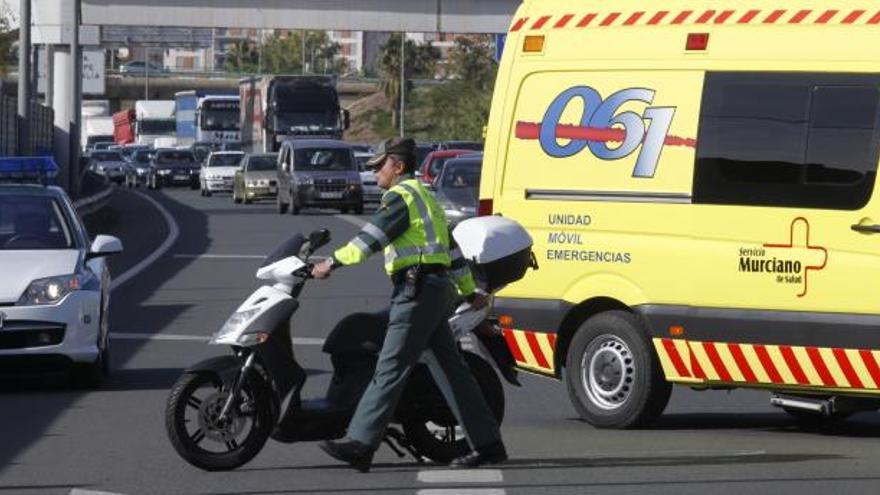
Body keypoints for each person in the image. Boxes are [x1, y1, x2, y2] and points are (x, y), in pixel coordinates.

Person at [311, 137, 507, 472]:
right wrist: (468, 289)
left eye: (380, 167)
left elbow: (369, 240)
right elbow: (451, 250)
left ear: (398, 166)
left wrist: (330, 263)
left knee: (390, 366)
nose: (376, 175)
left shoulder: (400, 198)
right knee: (451, 371)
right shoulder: (427, 196)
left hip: (415, 294)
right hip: (436, 290)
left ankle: (360, 442)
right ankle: (488, 444)